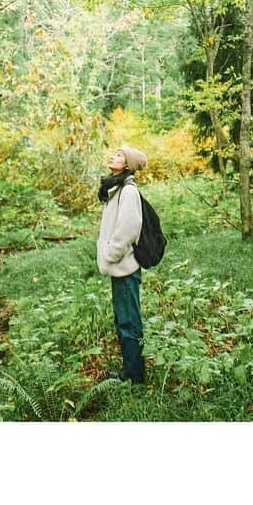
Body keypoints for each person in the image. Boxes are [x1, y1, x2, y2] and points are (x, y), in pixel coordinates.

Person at [96, 145, 148, 384]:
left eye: (119, 155)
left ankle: (134, 377)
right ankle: (130, 370)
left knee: (129, 322)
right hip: (119, 267)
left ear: (128, 164)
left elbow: (128, 230)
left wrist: (111, 255)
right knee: (123, 320)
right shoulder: (115, 188)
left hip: (124, 266)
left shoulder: (128, 191)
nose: (112, 156)